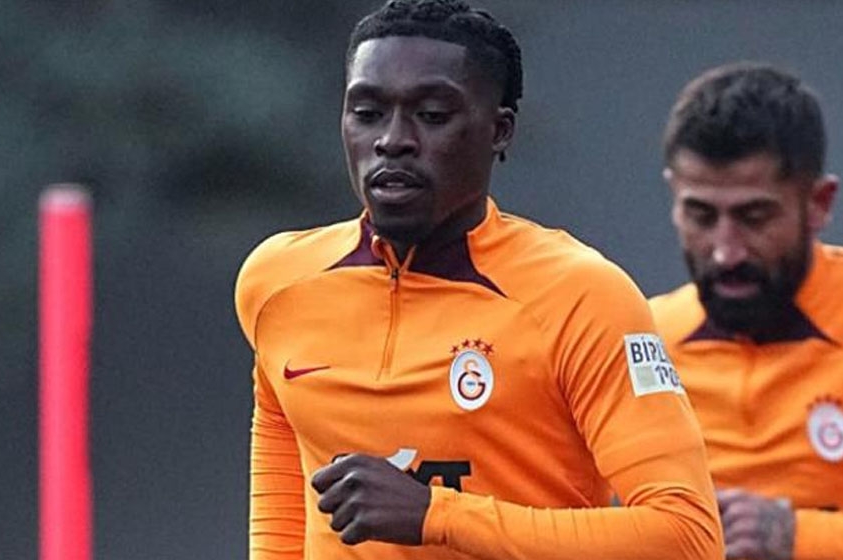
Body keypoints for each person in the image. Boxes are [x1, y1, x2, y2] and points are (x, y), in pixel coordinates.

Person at [235, 1, 722, 558]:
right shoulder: (276, 282)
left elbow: (686, 538)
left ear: (499, 130)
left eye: (432, 115)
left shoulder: (582, 296)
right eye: (367, 112)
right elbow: (282, 523)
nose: (392, 140)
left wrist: (437, 515)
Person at [650, 61, 843, 560]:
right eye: (700, 215)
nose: (725, 252)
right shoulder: (641, 342)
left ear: (819, 204)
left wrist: (797, 538)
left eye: (754, 217)